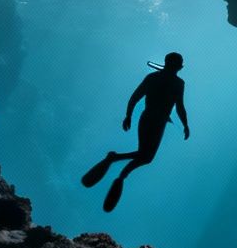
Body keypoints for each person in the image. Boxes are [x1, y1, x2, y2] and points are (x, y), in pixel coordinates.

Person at [81, 52, 189, 212]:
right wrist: (185, 125)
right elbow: (178, 106)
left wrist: (129, 115)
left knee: (145, 156)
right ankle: (117, 164)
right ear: (178, 67)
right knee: (146, 156)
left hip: (152, 120)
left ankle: (120, 168)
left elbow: (135, 98)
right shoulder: (176, 83)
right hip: (156, 121)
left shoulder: (156, 78)